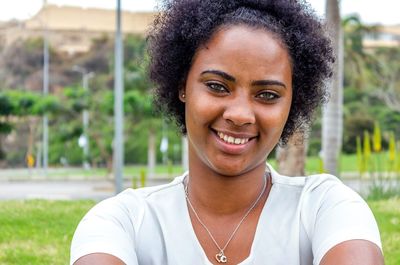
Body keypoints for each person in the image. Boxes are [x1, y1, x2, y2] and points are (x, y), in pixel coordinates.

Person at [70, 0, 384, 264]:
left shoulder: (326, 208)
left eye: (268, 95)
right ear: (182, 86)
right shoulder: (122, 222)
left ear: (293, 103)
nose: (239, 114)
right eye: (218, 87)